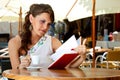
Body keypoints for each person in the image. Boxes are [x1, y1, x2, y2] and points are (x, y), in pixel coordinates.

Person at [8, 3, 87, 69]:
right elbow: (14, 73)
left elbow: (69, 66)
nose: (46, 27)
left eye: (49, 24)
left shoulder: (53, 42)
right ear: (31, 18)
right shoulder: (14, 43)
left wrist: (82, 56)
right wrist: (21, 67)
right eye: (42, 21)